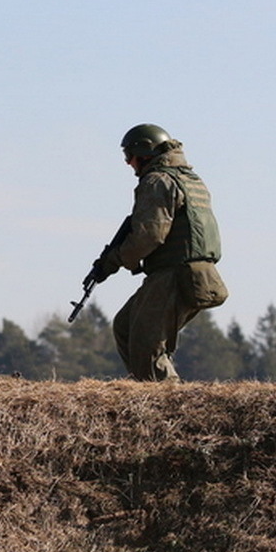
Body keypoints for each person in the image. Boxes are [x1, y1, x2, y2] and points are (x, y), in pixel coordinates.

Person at [89, 124, 228, 381]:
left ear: (144, 153)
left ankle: (165, 398)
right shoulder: (189, 179)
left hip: (176, 274)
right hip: (195, 273)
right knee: (125, 326)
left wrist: (113, 260)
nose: (128, 163)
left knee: (147, 345)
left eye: (129, 156)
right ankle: (147, 388)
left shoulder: (157, 181)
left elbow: (149, 236)